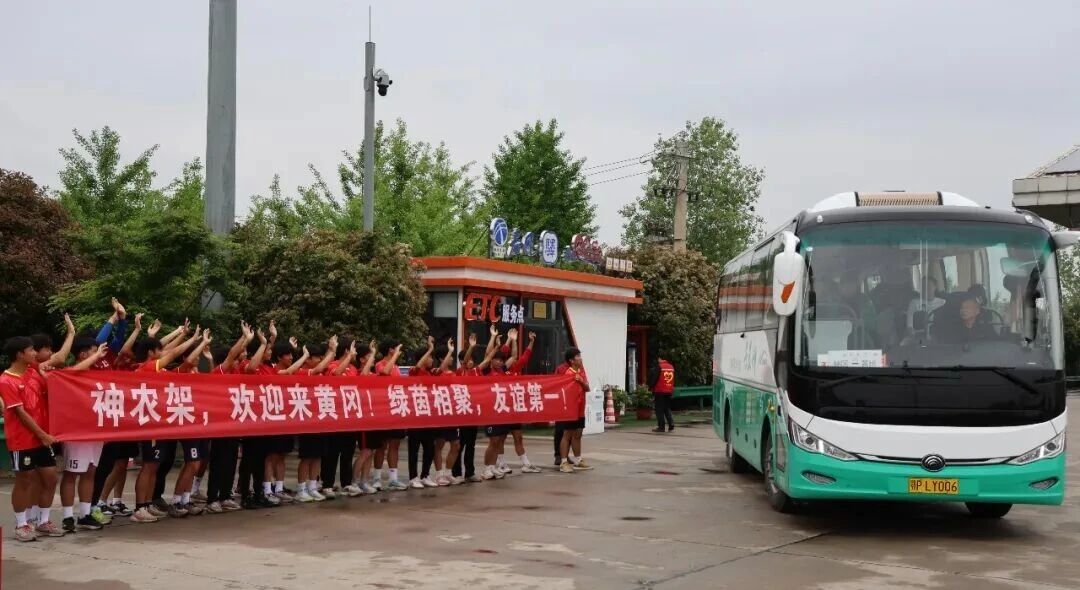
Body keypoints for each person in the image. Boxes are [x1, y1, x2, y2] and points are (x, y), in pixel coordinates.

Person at [2, 336, 61, 541]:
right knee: (24, 480)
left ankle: (43, 521)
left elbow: (52, 392)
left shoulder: (33, 372)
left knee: (51, 477)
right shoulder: (6, 380)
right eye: (31, 350)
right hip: (22, 440)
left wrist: (46, 376)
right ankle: (21, 524)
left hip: (42, 438)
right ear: (20, 354)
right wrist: (43, 435)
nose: (35, 353)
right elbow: (21, 414)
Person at [58, 338, 114, 533]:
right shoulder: (69, 373)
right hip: (75, 433)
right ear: (82, 354)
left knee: (90, 471)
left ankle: (84, 515)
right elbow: (73, 372)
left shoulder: (96, 376)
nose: (99, 355)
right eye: (93, 351)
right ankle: (67, 517)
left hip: (95, 432)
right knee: (71, 473)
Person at [204, 323, 255, 514]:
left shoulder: (236, 372)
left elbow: (240, 358)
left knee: (231, 462)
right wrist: (244, 338)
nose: (237, 360)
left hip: (234, 425)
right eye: (234, 358)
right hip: (220, 426)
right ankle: (212, 498)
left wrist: (246, 342)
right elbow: (233, 354)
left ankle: (225, 496)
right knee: (218, 463)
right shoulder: (220, 371)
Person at [502, 331, 540, 474]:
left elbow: (525, 355)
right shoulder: (500, 372)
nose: (513, 359)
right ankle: (501, 463)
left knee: (518, 437)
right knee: (499, 439)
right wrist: (510, 339)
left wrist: (531, 341)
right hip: (502, 409)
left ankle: (526, 464)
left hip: (515, 411)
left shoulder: (516, 369)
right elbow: (508, 353)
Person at [374, 341, 408, 491]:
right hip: (383, 410)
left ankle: (393, 478)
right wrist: (395, 356)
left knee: (395, 444)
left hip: (396, 409)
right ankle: (376, 478)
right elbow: (384, 373)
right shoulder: (380, 364)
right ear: (390, 349)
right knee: (382, 445)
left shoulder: (397, 368)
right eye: (396, 348)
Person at [451, 334, 483, 483]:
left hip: (472, 414)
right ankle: (456, 473)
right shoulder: (459, 372)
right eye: (467, 360)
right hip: (461, 414)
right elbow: (464, 361)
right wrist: (471, 346)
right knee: (460, 445)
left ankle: (470, 472)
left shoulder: (475, 372)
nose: (470, 362)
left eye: (472, 360)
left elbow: (487, 360)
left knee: (471, 445)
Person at [558, 347, 593, 474]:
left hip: (580, 409)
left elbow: (587, 388)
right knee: (567, 435)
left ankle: (578, 460)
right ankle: (563, 462)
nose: (580, 358)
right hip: (571, 410)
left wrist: (582, 381)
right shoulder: (568, 374)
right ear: (571, 360)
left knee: (578, 434)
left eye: (580, 356)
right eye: (577, 356)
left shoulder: (581, 371)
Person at [650, 357, 676, 433]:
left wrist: (651, 388)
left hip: (660, 390)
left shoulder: (659, 367)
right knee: (667, 408)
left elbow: (655, 379)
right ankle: (671, 425)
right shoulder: (671, 367)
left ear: (660, 359)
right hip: (669, 390)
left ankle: (661, 427)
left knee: (659, 409)